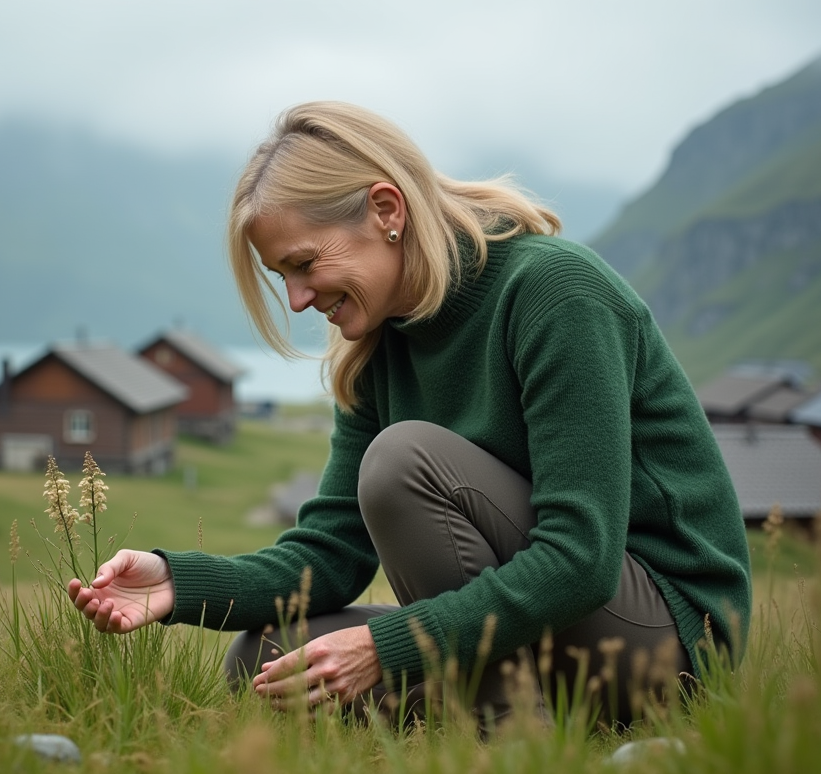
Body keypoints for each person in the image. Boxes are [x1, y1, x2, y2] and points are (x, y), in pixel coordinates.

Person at [68, 101, 752, 726]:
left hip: (667, 638)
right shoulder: (376, 348)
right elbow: (329, 558)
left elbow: (580, 561)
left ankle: (513, 737)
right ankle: (507, 708)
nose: (299, 299)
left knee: (402, 463)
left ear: (386, 210)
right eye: (283, 276)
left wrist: (393, 647)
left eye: (304, 264)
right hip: (549, 627)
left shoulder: (554, 293)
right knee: (270, 660)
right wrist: (178, 583)